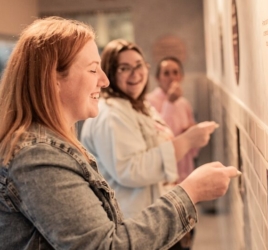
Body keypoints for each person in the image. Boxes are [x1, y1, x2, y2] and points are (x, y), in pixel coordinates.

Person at [0, 17, 240, 250]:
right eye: (93, 70)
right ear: (53, 78)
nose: (104, 81)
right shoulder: (38, 157)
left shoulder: (50, 145)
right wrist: (191, 192)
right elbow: (104, 245)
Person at [80, 39, 220, 250]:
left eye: (138, 65)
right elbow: (131, 169)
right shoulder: (110, 114)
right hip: (134, 226)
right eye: (124, 68)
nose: (135, 74)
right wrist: (187, 140)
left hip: (155, 219)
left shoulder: (139, 105)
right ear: (110, 72)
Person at [147, 56, 198, 183]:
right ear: (158, 78)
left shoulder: (184, 103)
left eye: (175, 72)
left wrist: (192, 132)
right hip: (163, 170)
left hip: (184, 169)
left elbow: (193, 146)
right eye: (166, 73)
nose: (172, 77)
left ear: (181, 77)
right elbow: (156, 136)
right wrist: (169, 103)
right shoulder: (149, 101)